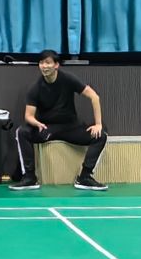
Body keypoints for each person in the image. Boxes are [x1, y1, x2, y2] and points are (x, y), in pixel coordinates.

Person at [8, 50, 107, 191]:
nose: (44, 66)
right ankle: (29, 178)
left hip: (71, 127)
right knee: (22, 132)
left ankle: (85, 177)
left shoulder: (68, 79)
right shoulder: (35, 88)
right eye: (41, 63)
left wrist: (98, 124)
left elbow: (94, 97)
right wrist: (36, 123)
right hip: (47, 129)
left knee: (100, 136)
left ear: (56, 65)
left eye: (48, 63)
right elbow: (28, 116)